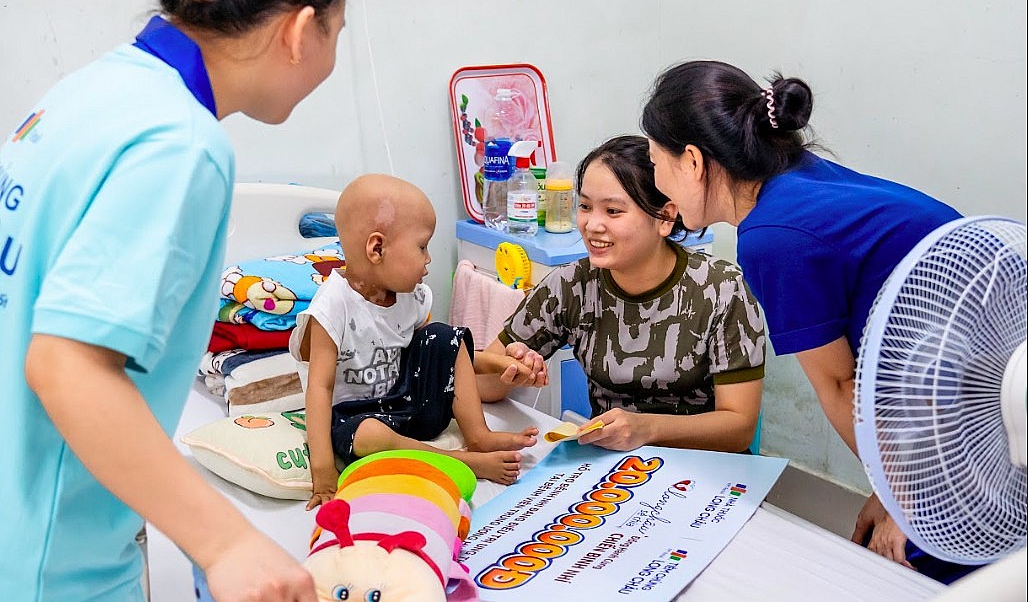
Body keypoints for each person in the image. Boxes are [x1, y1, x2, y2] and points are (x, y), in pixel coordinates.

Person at [0, 0, 350, 600]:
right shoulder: (182, 146)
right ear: (300, 31)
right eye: (336, 33)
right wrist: (226, 542)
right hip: (51, 562)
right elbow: (66, 364)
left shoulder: (92, 90)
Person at [641, 59, 975, 582]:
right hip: (962, 382)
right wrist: (890, 485)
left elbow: (842, 385)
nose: (659, 185)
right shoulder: (797, 176)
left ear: (693, 161)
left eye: (655, 161)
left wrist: (907, 501)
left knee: (913, 566)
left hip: (967, 409)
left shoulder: (772, 238)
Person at [476, 135, 766, 453]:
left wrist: (646, 428)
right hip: (611, 465)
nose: (592, 225)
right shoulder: (570, 285)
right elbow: (480, 388)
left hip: (707, 467)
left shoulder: (722, 289)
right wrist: (510, 370)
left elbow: (739, 427)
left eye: (613, 211)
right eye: (585, 207)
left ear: (665, 218)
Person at [291, 174, 538, 511]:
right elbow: (319, 389)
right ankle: (462, 460)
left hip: (407, 406)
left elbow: (441, 357)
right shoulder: (333, 307)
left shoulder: (412, 297)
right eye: (422, 247)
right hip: (357, 422)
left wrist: (499, 362)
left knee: (441, 333)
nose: (428, 259)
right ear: (377, 249)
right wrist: (322, 473)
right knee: (369, 436)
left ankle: (478, 436)